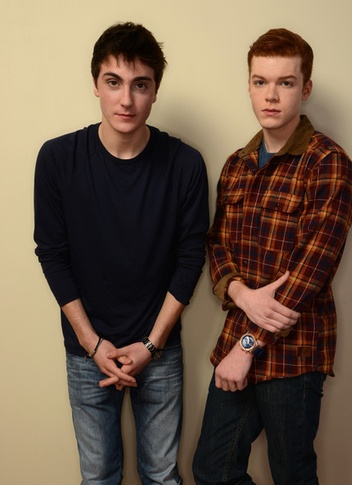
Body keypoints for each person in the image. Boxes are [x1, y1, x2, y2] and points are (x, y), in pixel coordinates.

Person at [34, 22, 209, 485]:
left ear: (155, 91)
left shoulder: (185, 164)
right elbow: (52, 255)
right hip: (86, 351)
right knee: (98, 478)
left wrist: (151, 345)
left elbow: (191, 258)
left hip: (159, 350)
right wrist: (93, 344)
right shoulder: (56, 159)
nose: (126, 100)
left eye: (140, 85)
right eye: (114, 82)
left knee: (162, 476)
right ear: (96, 84)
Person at [193, 28, 352, 484]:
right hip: (236, 343)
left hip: (294, 356)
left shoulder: (328, 163)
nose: (271, 95)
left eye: (285, 82)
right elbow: (217, 243)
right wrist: (241, 294)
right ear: (248, 86)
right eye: (260, 81)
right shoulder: (237, 164)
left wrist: (247, 346)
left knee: (292, 475)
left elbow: (310, 272)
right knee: (212, 470)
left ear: (305, 89)